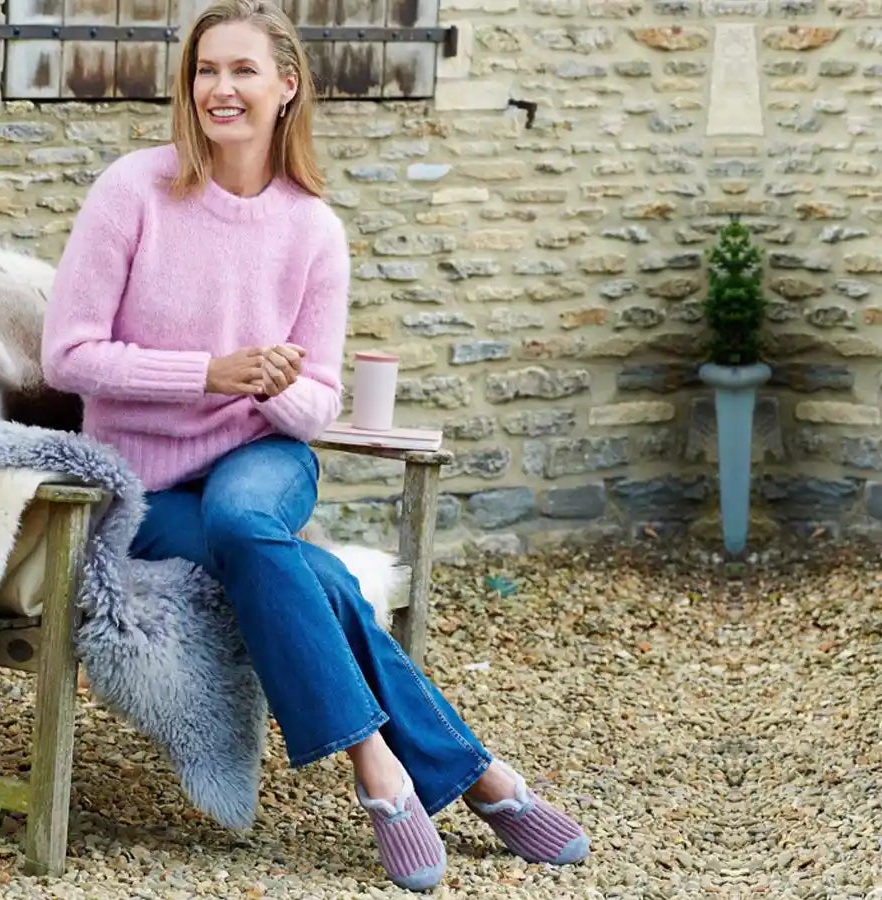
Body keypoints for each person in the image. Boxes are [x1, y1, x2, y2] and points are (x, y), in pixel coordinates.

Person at [39, 0, 591, 891]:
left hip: (262, 458)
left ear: (287, 87)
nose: (220, 88)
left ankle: (392, 775)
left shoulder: (313, 229)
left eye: (243, 70)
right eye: (206, 70)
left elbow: (319, 402)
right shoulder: (131, 191)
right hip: (141, 487)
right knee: (308, 570)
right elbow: (67, 355)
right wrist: (214, 373)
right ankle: (446, 773)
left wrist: (273, 386)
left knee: (248, 516)